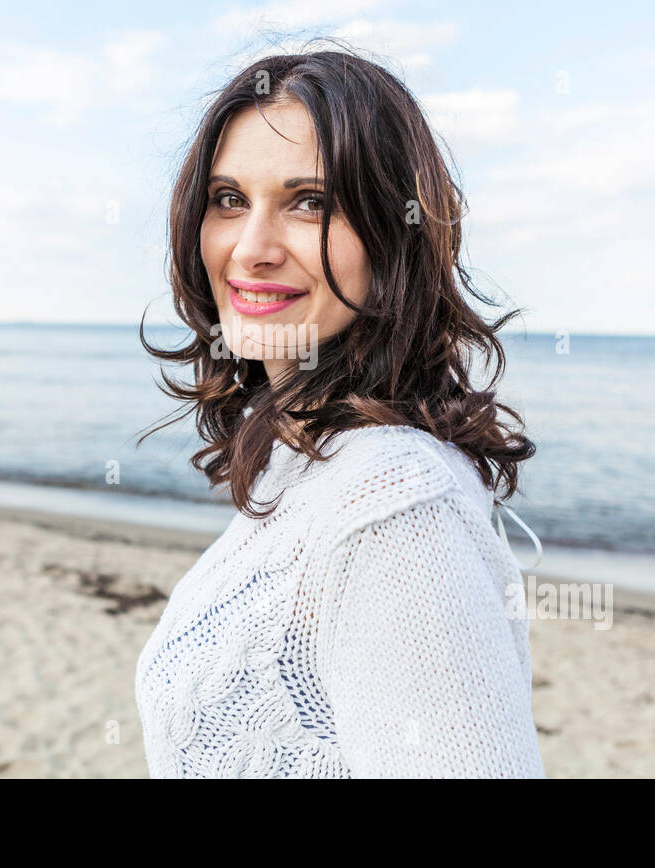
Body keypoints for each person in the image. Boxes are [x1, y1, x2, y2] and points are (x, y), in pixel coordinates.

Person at [134, 43, 546, 778]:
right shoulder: (308, 461)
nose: (251, 248)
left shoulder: (392, 503)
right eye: (229, 200)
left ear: (395, 236)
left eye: (310, 202)